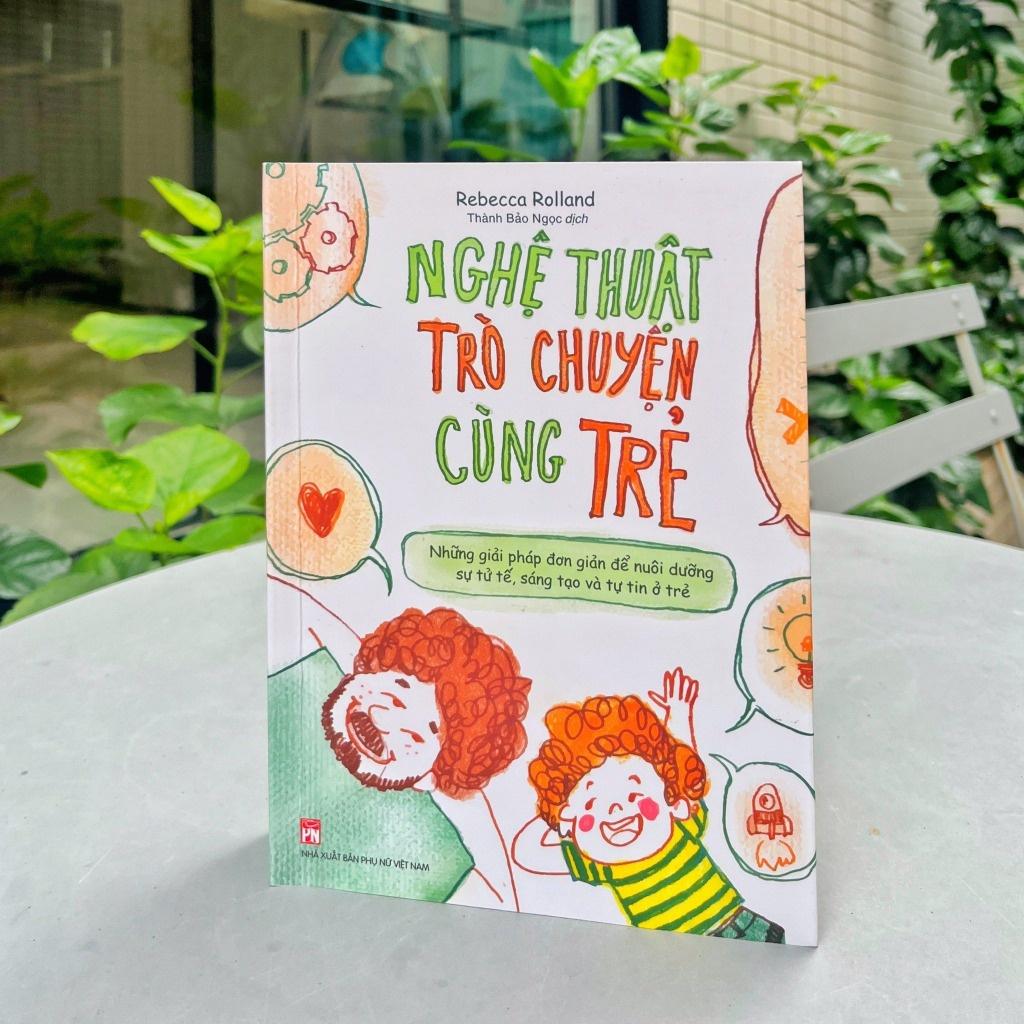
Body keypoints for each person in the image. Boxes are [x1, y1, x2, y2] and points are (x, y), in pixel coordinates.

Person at [512, 668, 784, 942]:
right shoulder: (597, 863)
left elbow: (686, 772)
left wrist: (679, 715)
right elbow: (525, 853)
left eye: (634, 795)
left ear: (673, 802)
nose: (616, 811)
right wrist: (557, 808)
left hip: (739, 931)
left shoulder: (682, 826)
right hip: (667, 952)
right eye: (593, 804)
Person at [322, 606, 530, 909]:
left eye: (426, 731)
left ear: (428, 779)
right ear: (365, 671)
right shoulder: (319, 646)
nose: (381, 718)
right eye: (399, 685)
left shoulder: (447, 851)